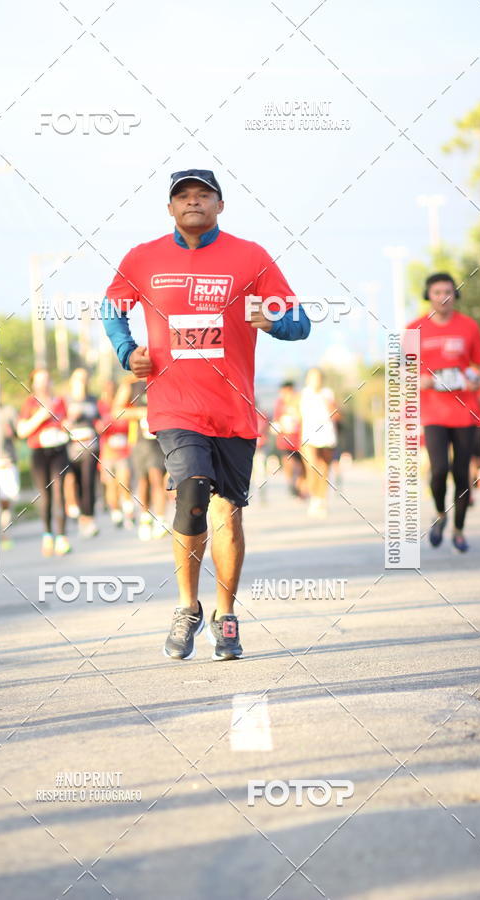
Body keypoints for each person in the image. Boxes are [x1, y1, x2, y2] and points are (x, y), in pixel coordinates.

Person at [101, 168, 311, 661]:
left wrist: (275, 321)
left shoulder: (251, 257)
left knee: (227, 516)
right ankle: (185, 606)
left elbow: (300, 323)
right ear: (170, 209)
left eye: (203, 195)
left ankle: (225, 614)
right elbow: (112, 307)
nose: (192, 202)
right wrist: (126, 350)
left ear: (219, 206)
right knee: (192, 492)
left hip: (233, 412)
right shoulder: (143, 258)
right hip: (175, 406)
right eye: (183, 197)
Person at [408, 273, 480, 552]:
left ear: (455, 295)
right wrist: (423, 380)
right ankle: (440, 513)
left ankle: (459, 529)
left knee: (461, 473)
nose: (442, 297)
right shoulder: (413, 329)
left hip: (466, 411)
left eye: (448, 291)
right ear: (428, 296)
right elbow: (403, 373)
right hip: (433, 414)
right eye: (436, 292)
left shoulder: (468, 326)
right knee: (439, 469)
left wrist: (477, 377)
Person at [17, 368, 70, 556]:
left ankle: (62, 537)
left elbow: (67, 423)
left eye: (46, 380)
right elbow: (21, 431)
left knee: (59, 491)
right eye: (39, 381)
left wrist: (66, 428)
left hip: (59, 450)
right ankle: (48, 535)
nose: (43, 384)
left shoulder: (61, 401)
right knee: (45, 495)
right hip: (39, 453)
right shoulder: (29, 404)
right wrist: (41, 415)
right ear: (33, 384)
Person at [128, 378, 169, 540]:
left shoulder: (164, 380)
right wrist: (141, 412)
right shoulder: (131, 386)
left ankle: (160, 519)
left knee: (157, 478)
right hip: (139, 441)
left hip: (159, 440)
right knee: (143, 481)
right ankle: (145, 518)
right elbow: (117, 411)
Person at [64, 368, 101, 537]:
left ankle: (89, 518)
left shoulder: (93, 399)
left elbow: (100, 419)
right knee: (76, 482)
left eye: (84, 378)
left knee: (89, 482)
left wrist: (99, 425)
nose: (82, 381)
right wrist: (70, 419)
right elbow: (60, 423)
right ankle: (81, 518)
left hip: (91, 446)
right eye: (78, 378)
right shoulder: (66, 400)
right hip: (72, 448)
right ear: (72, 381)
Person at [97, 377, 136, 529]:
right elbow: (99, 426)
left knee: (124, 482)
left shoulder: (124, 406)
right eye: (107, 390)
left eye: (112, 390)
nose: (110, 393)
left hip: (123, 452)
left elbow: (130, 425)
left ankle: (129, 512)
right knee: (111, 485)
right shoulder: (101, 407)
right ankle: (116, 513)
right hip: (107, 453)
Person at [300, 368, 338, 518]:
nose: (316, 380)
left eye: (318, 378)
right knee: (312, 466)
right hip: (309, 436)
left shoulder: (328, 394)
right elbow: (298, 415)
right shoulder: (304, 394)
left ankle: (322, 499)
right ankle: (314, 498)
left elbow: (336, 413)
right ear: (308, 379)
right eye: (313, 377)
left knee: (324, 468)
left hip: (327, 436)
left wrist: (330, 405)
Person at [273, 381, 304, 497]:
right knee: (288, 461)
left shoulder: (299, 401)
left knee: (301, 465)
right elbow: (276, 420)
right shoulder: (279, 403)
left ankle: (299, 486)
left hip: (299, 440)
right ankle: (291, 483)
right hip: (285, 440)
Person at [0, 402, 20, 549]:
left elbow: (20, 433)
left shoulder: (9, 411)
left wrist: (12, 432)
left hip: (7, 463)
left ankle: (5, 533)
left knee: (6, 501)